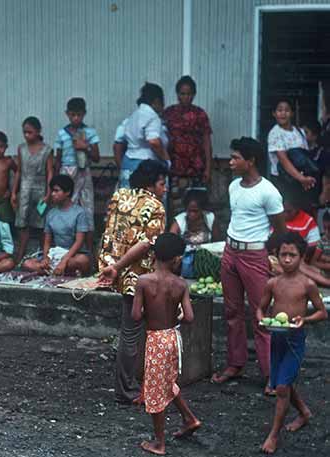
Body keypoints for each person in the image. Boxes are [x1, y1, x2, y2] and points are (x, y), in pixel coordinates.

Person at [212, 137, 285, 389]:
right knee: (232, 312)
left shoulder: (269, 192)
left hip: (254, 255)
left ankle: (271, 375)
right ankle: (235, 363)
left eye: (235, 158)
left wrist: (263, 251)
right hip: (231, 251)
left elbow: (280, 229)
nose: (231, 162)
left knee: (261, 315)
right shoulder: (234, 186)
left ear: (250, 161)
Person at [98, 160, 167, 403]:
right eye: (162, 183)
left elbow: (109, 232)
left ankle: (131, 384)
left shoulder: (120, 196)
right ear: (151, 184)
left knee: (131, 331)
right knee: (132, 333)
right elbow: (147, 244)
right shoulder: (155, 206)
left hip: (115, 269)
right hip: (139, 275)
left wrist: (110, 264)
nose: (165, 188)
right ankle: (127, 390)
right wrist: (119, 266)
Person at [131, 233, 201, 455]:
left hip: (155, 339)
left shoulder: (143, 282)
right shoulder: (180, 284)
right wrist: (176, 316)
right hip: (172, 337)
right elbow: (189, 317)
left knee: (154, 389)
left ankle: (159, 442)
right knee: (166, 381)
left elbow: (135, 315)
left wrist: (148, 311)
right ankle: (189, 418)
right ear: (176, 259)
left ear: (153, 254)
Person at [257, 232, 327, 454]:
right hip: (277, 337)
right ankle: (304, 413)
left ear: (301, 257)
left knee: (282, 387)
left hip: (295, 340)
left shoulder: (307, 285)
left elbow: (322, 312)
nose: (287, 259)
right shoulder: (273, 283)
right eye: (283, 255)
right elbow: (261, 307)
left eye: (292, 255)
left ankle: (273, 435)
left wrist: (304, 319)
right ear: (277, 256)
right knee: (282, 382)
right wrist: (260, 319)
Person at [54, 97, 100, 252]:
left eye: (79, 115)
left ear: (84, 114)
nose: (76, 118)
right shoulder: (62, 133)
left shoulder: (89, 132)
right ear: (67, 114)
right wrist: (54, 183)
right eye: (72, 115)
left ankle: (89, 252)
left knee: (87, 211)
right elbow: (58, 159)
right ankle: (66, 249)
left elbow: (96, 157)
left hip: (83, 173)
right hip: (66, 174)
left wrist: (85, 146)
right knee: (67, 207)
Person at [22, 174, 90, 276]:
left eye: (56, 191)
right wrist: (45, 258)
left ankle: (58, 270)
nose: (53, 194)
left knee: (82, 261)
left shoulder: (79, 213)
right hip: (56, 254)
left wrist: (64, 261)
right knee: (27, 263)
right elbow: (47, 241)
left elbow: (79, 242)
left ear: (67, 192)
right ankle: (57, 270)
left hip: (73, 255)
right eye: (52, 191)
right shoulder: (51, 213)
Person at [164, 75, 213, 214]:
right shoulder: (169, 113)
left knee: (195, 206)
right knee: (175, 207)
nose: (186, 97)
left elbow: (206, 141)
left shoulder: (200, 114)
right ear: (177, 94)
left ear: (194, 94)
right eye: (182, 94)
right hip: (174, 168)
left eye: (189, 94)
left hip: (196, 168)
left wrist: (208, 168)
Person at [11, 117, 53, 264]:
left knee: (41, 224)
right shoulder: (21, 148)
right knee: (23, 223)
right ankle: (20, 254)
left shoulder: (47, 150)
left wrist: (48, 194)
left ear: (38, 131)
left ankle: (43, 255)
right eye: (24, 132)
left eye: (30, 132)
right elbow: (19, 172)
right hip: (24, 190)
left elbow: (50, 173)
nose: (27, 135)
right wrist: (13, 192)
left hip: (40, 191)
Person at [120, 83, 169, 189]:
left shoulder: (134, 115)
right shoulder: (152, 116)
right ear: (157, 101)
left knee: (130, 200)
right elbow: (154, 142)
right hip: (146, 165)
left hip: (129, 162)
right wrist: (166, 159)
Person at [267, 99, 316, 196]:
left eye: (287, 110)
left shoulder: (299, 131)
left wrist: (304, 178)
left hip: (300, 180)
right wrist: (301, 178)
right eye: (279, 110)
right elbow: (284, 160)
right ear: (274, 113)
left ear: (292, 113)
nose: (283, 113)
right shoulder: (275, 133)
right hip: (283, 181)